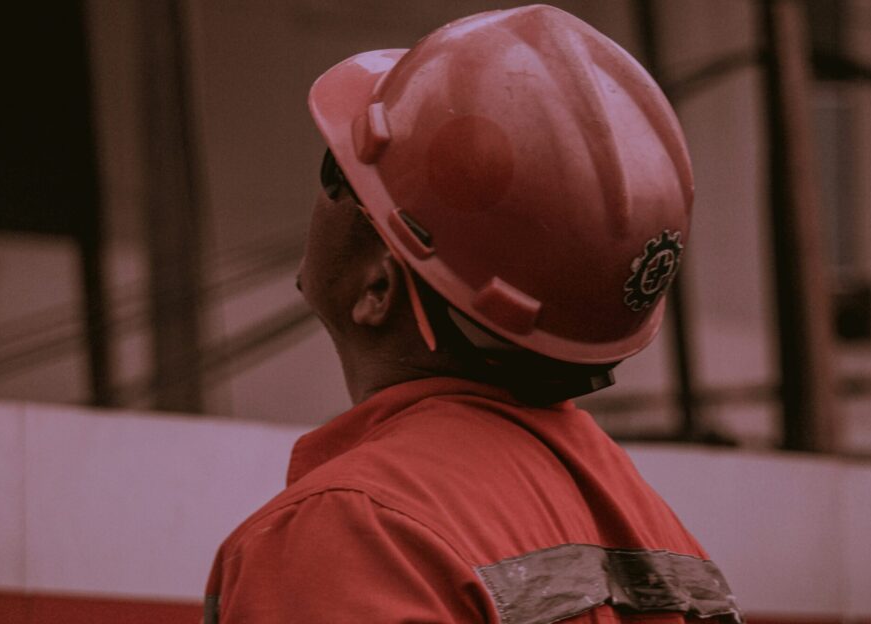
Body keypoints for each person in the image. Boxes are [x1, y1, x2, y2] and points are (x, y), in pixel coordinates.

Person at [203, 5, 740, 623]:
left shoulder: (353, 528)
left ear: (379, 287)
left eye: (338, 173)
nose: (320, 191)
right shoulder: (655, 534)